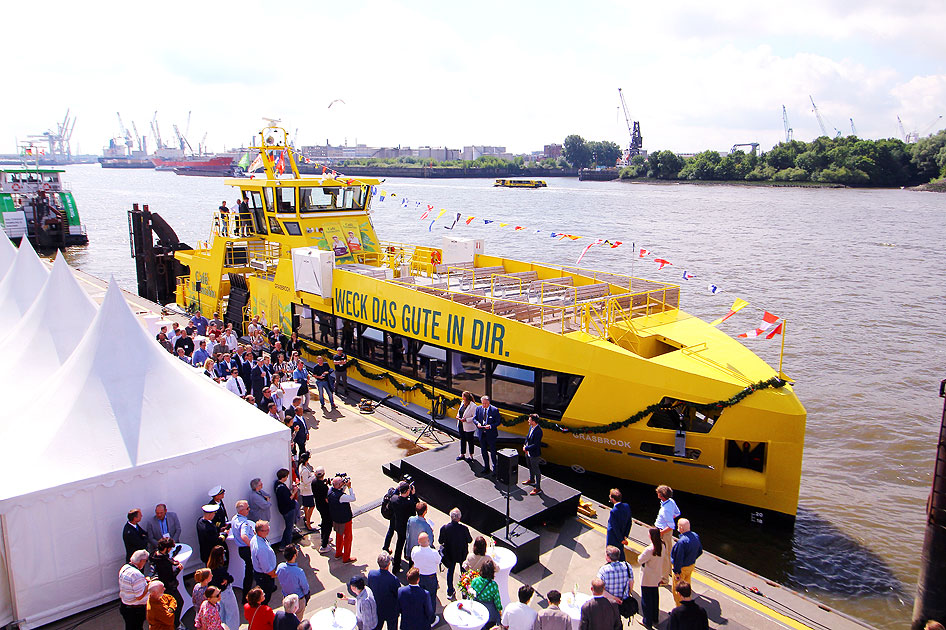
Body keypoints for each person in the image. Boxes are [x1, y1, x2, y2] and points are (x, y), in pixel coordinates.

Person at [149, 537, 184, 627]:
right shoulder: (164, 562)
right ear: (166, 548)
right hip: (168, 587)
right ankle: (175, 624)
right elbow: (170, 577)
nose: (171, 550)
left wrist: (171, 561)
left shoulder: (154, 555)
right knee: (179, 602)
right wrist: (178, 569)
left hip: (158, 586)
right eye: (170, 548)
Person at [439, 507, 472, 600]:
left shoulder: (445, 528)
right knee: (464, 573)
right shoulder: (464, 529)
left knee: (450, 572)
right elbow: (469, 540)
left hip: (450, 554)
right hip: (462, 554)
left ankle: (450, 591)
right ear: (459, 518)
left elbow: (440, 541)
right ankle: (464, 591)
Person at [637, 527, 665, 630]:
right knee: (654, 598)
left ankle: (647, 621)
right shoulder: (662, 545)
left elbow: (640, 560)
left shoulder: (649, 549)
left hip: (647, 578)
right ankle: (655, 618)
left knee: (646, 600)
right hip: (656, 576)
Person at [671, 518, 703, 607]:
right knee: (687, 588)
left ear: (681, 528)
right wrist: (692, 559)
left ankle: (679, 608)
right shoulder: (695, 536)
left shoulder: (681, 542)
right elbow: (700, 551)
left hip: (681, 569)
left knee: (678, 590)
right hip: (690, 566)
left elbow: (678, 558)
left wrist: (677, 572)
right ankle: (687, 605)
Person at [228, 500, 256, 602]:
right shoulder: (244, 523)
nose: (249, 510)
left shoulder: (235, 518)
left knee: (249, 570)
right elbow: (244, 536)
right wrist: (252, 546)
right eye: (247, 508)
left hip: (242, 549)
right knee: (249, 572)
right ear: (241, 510)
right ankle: (246, 595)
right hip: (247, 549)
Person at [208, 545, 239, 630]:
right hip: (226, 592)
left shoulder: (210, 567)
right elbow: (231, 578)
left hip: (217, 594)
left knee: (222, 614)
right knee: (232, 614)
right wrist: (227, 579)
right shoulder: (220, 569)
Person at [655, 485, 681, 585]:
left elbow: (671, 526)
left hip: (663, 532)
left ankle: (664, 579)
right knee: (668, 551)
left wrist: (660, 533)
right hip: (667, 533)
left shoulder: (665, 510)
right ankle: (669, 571)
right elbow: (677, 513)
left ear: (661, 495)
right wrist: (669, 518)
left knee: (664, 555)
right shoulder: (671, 501)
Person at [118, 549, 150, 630]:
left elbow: (131, 583)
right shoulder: (136, 575)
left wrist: (143, 581)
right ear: (142, 561)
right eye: (146, 561)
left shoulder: (125, 567)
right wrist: (149, 585)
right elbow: (139, 596)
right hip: (135, 610)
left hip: (125, 606)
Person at [328, 475, 357, 563]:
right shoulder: (341, 497)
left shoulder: (330, 491)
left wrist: (342, 485)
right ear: (339, 485)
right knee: (348, 538)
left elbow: (338, 490)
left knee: (339, 536)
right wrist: (349, 487)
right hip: (345, 520)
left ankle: (338, 553)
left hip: (336, 518)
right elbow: (353, 498)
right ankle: (346, 557)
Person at [368, 552, 401, 630]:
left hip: (377, 609)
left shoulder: (371, 574)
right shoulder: (393, 579)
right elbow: (398, 594)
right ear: (389, 564)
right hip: (391, 610)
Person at [390, 481, 416, 574]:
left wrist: (398, 488)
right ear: (407, 491)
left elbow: (394, 494)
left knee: (399, 545)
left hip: (398, 526)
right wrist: (413, 495)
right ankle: (410, 567)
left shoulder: (394, 499)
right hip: (407, 528)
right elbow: (415, 507)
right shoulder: (409, 503)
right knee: (410, 546)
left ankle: (396, 566)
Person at [276, 544, 311, 613]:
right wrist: (307, 595)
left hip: (286, 597)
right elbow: (305, 587)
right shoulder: (299, 571)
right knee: (298, 618)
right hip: (298, 600)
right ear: (294, 555)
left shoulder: (280, 567)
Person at [250, 521, 278, 606]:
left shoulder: (256, 538)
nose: (268, 531)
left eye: (268, 529)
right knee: (265, 598)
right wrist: (274, 574)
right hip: (264, 576)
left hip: (260, 574)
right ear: (259, 531)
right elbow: (266, 568)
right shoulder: (261, 548)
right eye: (266, 530)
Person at [471, 557, 502, 629]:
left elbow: (471, 595)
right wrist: (499, 610)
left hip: (478, 608)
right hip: (490, 611)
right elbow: (497, 600)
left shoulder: (475, 581)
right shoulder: (493, 585)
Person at [411, 532, 440, 609]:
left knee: (419, 596)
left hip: (419, 576)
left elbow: (412, 559)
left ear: (418, 541)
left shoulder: (415, 550)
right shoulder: (434, 552)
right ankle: (431, 614)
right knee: (431, 597)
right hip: (431, 577)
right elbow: (438, 561)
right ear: (428, 541)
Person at [474, 395, 500, 476]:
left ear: (489, 402)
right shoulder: (478, 408)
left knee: (493, 452)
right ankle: (486, 467)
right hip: (482, 433)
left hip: (491, 434)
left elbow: (498, 422)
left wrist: (491, 426)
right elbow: (474, 418)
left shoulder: (494, 410)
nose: (484, 405)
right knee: (483, 451)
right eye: (482, 403)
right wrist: (477, 423)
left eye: (485, 403)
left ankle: (495, 469)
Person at [274, 468, 299, 548]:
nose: (287, 478)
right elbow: (288, 499)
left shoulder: (277, 484)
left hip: (283, 509)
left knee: (288, 527)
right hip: (288, 510)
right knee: (289, 528)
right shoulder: (282, 488)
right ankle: (288, 545)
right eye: (286, 476)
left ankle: (283, 545)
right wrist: (294, 492)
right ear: (284, 477)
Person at [605, 489, 631, 562]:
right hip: (622, 535)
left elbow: (615, 527)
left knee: (611, 554)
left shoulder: (613, 511)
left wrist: (621, 539)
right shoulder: (627, 506)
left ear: (613, 499)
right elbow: (629, 522)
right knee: (620, 553)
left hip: (613, 537)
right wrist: (625, 535)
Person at [406, 501, 434, 567]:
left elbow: (408, 533)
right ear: (424, 512)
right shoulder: (427, 526)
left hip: (411, 549)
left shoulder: (411, 519)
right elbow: (430, 541)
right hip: (420, 553)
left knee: (411, 567)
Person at [312, 466, 334, 552]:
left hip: (319, 505)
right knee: (328, 524)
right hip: (325, 507)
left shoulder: (314, 482)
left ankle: (324, 537)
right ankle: (324, 544)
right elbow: (327, 499)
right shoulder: (324, 487)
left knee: (324, 521)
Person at [523, 414, 543, 494]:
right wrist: (525, 445)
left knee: (536, 469)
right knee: (529, 466)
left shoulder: (538, 431)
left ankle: (538, 487)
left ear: (533, 421)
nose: (528, 421)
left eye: (529, 420)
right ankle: (531, 479)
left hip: (534, 453)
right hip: (528, 452)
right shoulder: (531, 427)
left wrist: (527, 448)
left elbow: (536, 444)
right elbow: (527, 437)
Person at [298, 452, 317, 529]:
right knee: (312, 506)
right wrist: (313, 476)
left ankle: (306, 518)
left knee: (306, 506)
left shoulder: (301, 466)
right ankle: (308, 522)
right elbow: (306, 481)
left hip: (304, 490)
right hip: (307, 491)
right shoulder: (305, 470)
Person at [456, 391, 477, 460]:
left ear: (466, 397)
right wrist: (458, 416)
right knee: (462, 439)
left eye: (463, 396)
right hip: (461, 424)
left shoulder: (473, 406)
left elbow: (475, 417)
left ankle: (471, 455)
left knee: (470, 440)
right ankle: (462, 454)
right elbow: (460, 411)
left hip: (469, 426)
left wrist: (466, 420)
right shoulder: (462, 402)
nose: (462, 397)